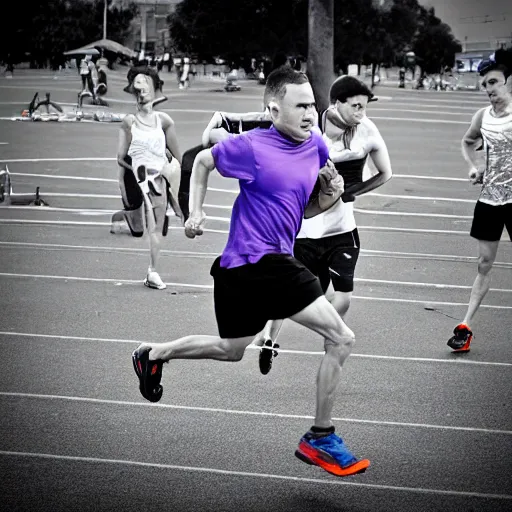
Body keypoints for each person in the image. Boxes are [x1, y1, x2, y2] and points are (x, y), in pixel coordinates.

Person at [132, 66, 370, 477]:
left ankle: (153, 354)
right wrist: (197, 210)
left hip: (245, 269)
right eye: (300, 106)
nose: (311, 113)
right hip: (260, 262)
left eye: (313, 104)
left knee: (232, 349)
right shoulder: (254, 146)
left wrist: (328, 199)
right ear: (274, 110)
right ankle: (320, 436)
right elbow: (203, 161)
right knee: (341, 337)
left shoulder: (315, 146)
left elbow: (302, 207)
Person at [254, 76, 393, 374]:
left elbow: (386, 173)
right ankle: (270, 338)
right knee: (292, 291)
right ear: (336, 104)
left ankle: (329, 339)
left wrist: (352, 192)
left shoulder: (365, 130)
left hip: (342, 229)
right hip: (305, 230)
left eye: (365, 106)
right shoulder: (309, 127)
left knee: (342, 295)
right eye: (356, 106)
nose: (361, 112)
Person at [447, 48, 512, 352]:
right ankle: (466, 326)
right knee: (484, 264)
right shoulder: (482, 117)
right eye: (486, 84)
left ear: (508, 82)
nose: (490, 89)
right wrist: (474, 167)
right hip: (490, 200)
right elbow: (467, 140)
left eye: (495, 82)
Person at [116, 66, 183, 290]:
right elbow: (120, 157)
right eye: (137, 85)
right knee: (138, 231)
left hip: (157, 181)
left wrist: (165, 165)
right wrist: (139, 167)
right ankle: (129, 212)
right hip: (135, 177)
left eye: (146, 83)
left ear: (155, 89)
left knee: (156, 226)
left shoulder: (164, 121)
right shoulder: (129, 122)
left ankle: (152, 271)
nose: (141, 89)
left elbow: (178, 157)